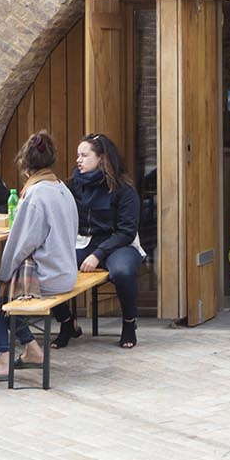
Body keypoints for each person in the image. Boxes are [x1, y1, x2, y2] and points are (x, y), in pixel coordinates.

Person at [0, 132, 81, 380]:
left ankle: (3, 360)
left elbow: (20, 244)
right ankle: (32, 350)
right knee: (5, 296)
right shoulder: (61, 188)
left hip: (48, 276)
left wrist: (3, 276)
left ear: (24, 164)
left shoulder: (36, 195)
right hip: (65, 271)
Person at [58, 133, 143, 350]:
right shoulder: (73, 185)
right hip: (83, 242)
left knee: (122, 272)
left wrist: (98, 254)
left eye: (84, 155)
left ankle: (129, 323)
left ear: (102, 158)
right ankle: (68, 323)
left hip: (118, 244)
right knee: (48, 268)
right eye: (78, 155)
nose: (78, 160)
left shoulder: (124, 189)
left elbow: (126, 231)